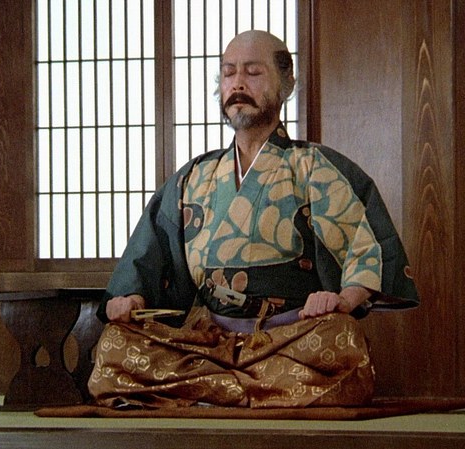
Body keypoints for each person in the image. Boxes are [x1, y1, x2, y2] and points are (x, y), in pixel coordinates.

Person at [87, 30, 419, 409]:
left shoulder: (316, 168)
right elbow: (150, 255)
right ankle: (256, 392)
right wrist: (131, 298)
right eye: (228, 73)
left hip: (290, 339)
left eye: (253, 72)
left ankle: (211, 394)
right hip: (206, 344)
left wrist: (342, 299)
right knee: (116, 342)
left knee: (340, 338)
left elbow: (367, 248)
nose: (238, 84)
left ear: (286, 84)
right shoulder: (193, 178)